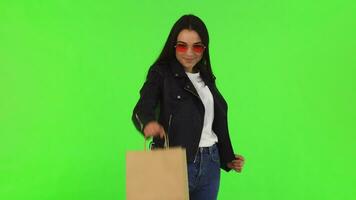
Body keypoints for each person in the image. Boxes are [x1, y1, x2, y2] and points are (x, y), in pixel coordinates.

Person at [132, 14, 245, 200]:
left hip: (210, 163)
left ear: (204, 48)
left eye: (197, 46)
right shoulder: (161, 73)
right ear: (174, 45)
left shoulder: (206, 77)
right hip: (172, 162)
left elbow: (212, 121)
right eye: (183, 45)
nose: (190, 53)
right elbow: (142, 107)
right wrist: (148, 123)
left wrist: (227, 158)